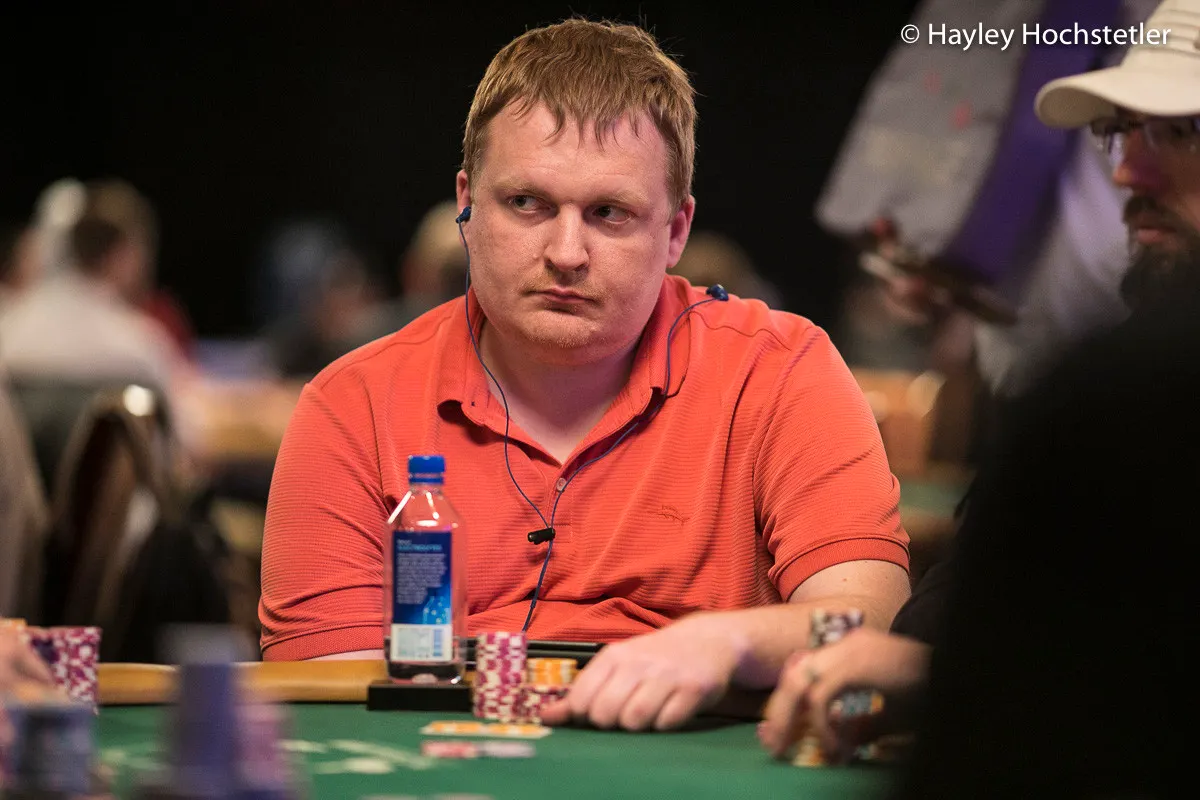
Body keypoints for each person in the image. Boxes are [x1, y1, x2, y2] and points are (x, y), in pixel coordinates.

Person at [260, 18, 911, 731]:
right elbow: (328, 701)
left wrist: (728, 641)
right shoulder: (352, 405)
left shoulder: (780, 370)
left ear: (676, 231)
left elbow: (868, 625)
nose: (566, 253)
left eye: (609, 213)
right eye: (527, 203)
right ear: (466, 205)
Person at [759, 0, 1200, 763]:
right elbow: (937, 632)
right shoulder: (1106, 397)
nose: (1128, 170)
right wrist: (910, 668)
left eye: (1181, 131)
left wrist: (939, 675)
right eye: (1121, 131)